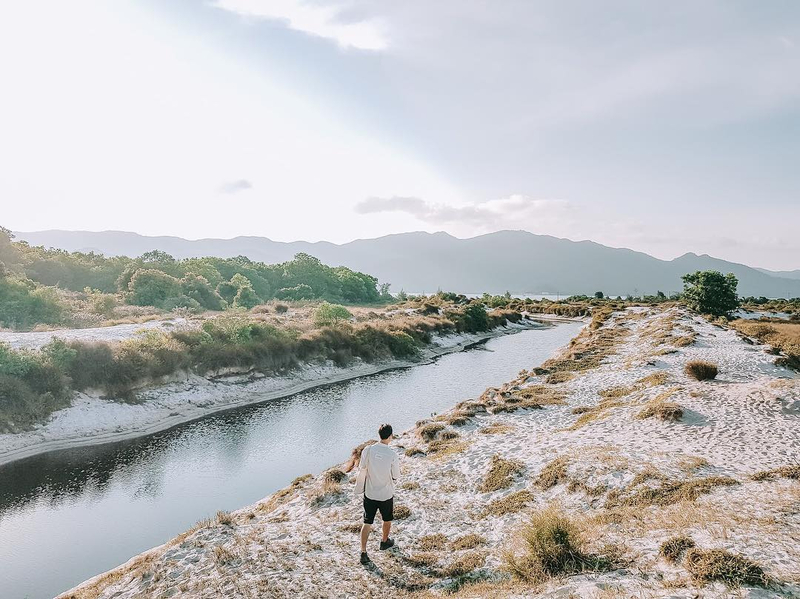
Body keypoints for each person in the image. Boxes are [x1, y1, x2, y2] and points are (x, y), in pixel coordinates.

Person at [355, 423, 400, 565]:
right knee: (387, 519)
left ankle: (363, 551)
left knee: (367, 521)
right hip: (385, 494)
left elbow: (362, 467)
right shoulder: (392, 454)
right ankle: (384, 541)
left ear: (379, 435)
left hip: (370, 492)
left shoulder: (368, 450)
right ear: (390, 436)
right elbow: (396, 475)